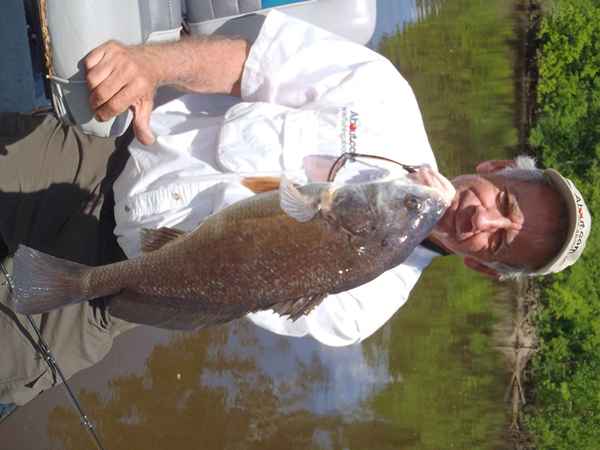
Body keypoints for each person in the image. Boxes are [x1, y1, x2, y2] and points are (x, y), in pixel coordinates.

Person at [0, 10, 591, 416]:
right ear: (491, 169)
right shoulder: (383, 94)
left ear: (484, 270)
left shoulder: (364, 309)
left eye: (499, 244)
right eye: (504, 204)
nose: (481, 223)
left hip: (115, 293)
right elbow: (249, 58)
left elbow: (225, 292)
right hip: (96, 162)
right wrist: (152, 65)